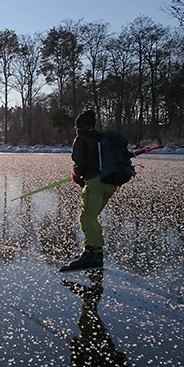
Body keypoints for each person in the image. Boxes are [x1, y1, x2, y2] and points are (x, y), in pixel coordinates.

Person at [60, 111, 116, 271]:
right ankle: (98, 252)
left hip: (96, 183)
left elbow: (79, 162)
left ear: (80, 127)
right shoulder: (102, 138)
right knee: (92, 217)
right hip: (111, 184)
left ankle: (90, 253)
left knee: (86, 217)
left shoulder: (82, 139)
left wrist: (76, 176)